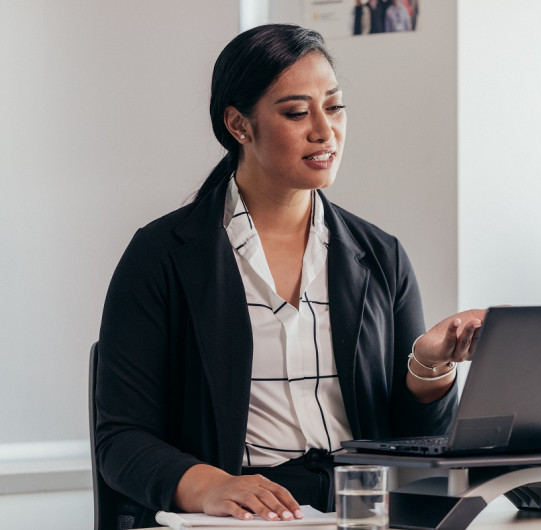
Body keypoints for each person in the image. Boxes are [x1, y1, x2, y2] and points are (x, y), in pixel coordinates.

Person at [96, 23, 484, 528]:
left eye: (335, 106)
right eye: (297, 112)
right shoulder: (162, 256)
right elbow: (121, 439)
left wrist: (428, 367)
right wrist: (211, 486)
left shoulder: (380, 255)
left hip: (360, 511)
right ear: (239, 125)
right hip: (241, 519)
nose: (324, 130)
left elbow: (414, 445)